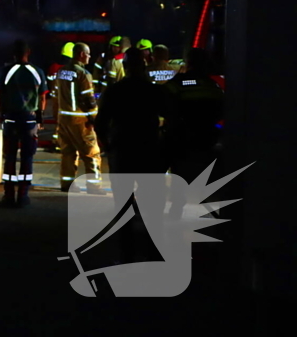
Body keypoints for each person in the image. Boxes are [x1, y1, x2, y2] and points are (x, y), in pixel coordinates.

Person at [94, 47, 171, 262]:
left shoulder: (115, 91)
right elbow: (170, 115)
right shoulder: (153, 90)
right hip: (148, 151)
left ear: (125, 67)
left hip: (123, 151)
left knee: (123, 206)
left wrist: (108, 146)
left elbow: (100, 123)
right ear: (144, 66)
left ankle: (126, 253)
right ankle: (152, 251)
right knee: (153, 206)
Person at [163, 48, 224, 220]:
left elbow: (164, 106)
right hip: (206, 136)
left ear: (188, 63)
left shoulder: (176, 84)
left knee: (176, 171)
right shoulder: (212, 86)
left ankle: (176, 207)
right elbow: (221, 111)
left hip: (181, 136)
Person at [0, 40, 45, 207]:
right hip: (29, 120)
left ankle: (9, 195)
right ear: (29, 52)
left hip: (10, 118)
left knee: (10, 156)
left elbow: (1, 95)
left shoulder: (7, 71)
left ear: (14, 53)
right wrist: (39, 118)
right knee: (27, 157)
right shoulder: (37, 71)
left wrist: (2, 115)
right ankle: (23, 196)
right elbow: (43, 97)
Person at [56, 43, 103, 194]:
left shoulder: (61, 71)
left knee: (68, 152)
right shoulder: (83, 74)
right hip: (80, 120)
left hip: (64, 118)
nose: (89, 57)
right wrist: (94, 118)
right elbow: (89, 99)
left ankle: (67, 184)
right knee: (91, 152)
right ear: (82, 54)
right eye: (88, 54)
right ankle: (94, 186)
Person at [46, 42, 75, 148]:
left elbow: (49, 82)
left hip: (55, 99)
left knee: (58, 121)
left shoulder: (53, 67)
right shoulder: (70, 69)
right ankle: (62, 143)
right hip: (66, 99)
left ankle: (57, 142)